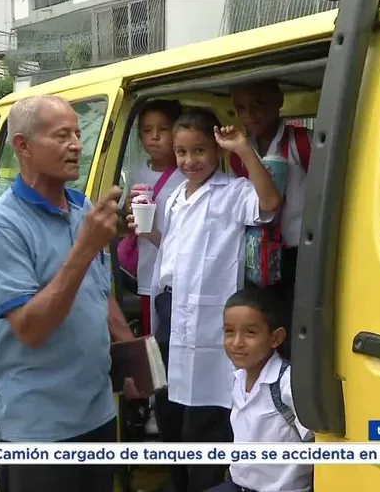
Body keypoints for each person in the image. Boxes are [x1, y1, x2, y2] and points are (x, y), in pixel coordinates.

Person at [0, 94, 137, 492]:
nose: (77, 145)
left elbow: (101, 293)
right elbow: (31, 328)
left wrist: (134, 359)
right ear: (23, 146)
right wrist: (84, 248)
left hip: (97, 416)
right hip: (38, 431)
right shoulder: (1, 227)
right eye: (62, 135)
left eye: (79, 134)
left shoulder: (81, 210)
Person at [130, 107, 282, 492]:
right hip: (172, 311)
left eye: (199, 151)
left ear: (216, 151)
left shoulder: (233, 190)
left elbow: (269, 204)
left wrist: (244, 150)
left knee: (207, 420)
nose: (189, 161)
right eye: (181, 153)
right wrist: (147, 233)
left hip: (211, 317)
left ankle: (204, 485)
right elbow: (177, 251)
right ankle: (177, 483)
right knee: (171, 414)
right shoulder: (177, 195)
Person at [207, 288, 314, 492]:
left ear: (276, 338)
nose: (237, 343)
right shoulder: (238, 376)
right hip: (238, 485)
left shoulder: (286, 382)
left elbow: (318, 440)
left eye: (250, 333)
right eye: (229, 331)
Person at [229, 79, 313, 313]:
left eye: (258, 103)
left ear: (278, 101)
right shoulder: (239, 152)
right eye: (241, 108)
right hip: (257, 250)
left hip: (299, 251)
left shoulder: (303, 142)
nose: (250, 114)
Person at [127, 99, 186, 336]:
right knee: (152, 335)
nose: (154, 137)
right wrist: (127, 213)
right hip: (147, 271)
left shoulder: (188, 174)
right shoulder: (137, 172)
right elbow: (126, 223)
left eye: (163, 129)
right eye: (147, 131)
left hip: (178, 274)